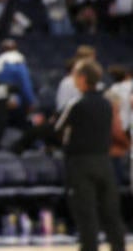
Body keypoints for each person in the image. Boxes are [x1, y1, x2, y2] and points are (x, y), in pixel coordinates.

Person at [51, 60, 127, 251]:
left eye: (75, 75)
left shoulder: (76, 103)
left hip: (80, 164)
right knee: (111, 214)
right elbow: (115, 130)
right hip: (105, 162)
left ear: (83, 78)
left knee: (86, 215)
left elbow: (57, 130)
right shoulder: (107, 103)